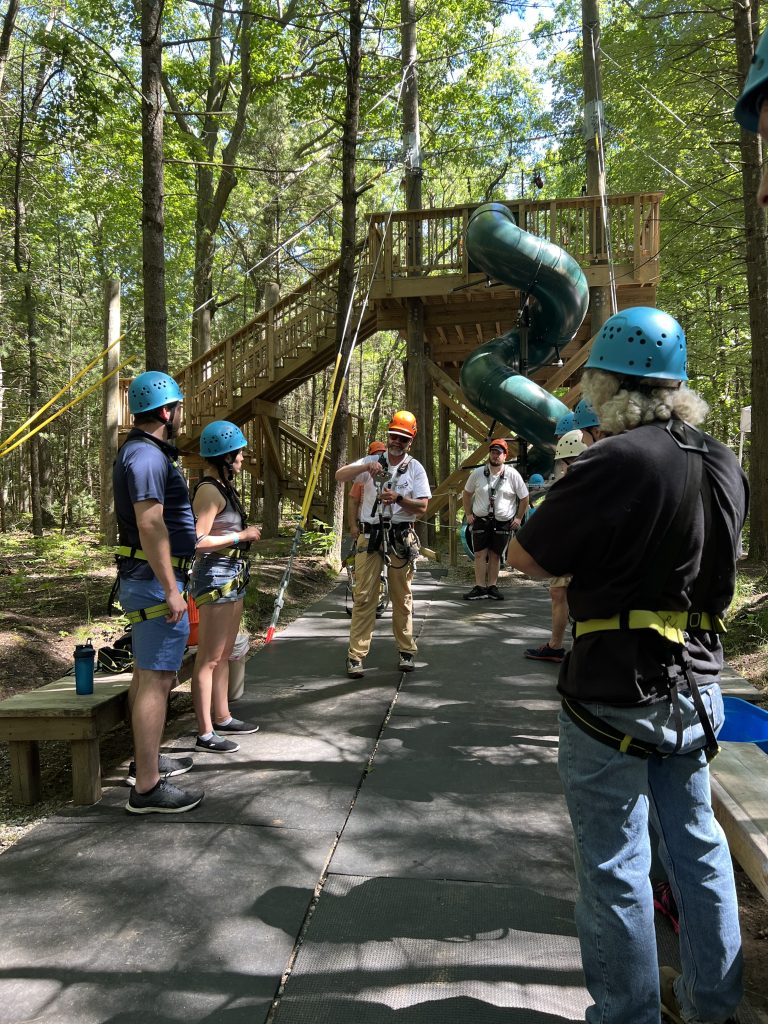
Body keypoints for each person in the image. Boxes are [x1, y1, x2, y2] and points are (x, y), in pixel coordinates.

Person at [507, 306, 748, 1024]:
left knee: (615, 865)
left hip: (615, 687)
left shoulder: (613, 460)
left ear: (609, 383)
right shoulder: (722, 459)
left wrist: (566, 485)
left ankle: (627, 1014)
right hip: (699, 684)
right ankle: (711, 1004)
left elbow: (526, 557)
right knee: (698, 850)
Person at [113, 371, 204, 814]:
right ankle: (147, 788)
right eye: (179, 408)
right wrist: (171, 589)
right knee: (157, 679)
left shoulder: (143, 453)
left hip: (149, 580)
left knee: (149, 673)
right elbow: (150, 523)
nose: (181, 416)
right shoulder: (147, 457)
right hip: (154, 583)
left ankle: (143, 763)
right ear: (166, 411)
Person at [335, 410, 431, 679]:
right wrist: (365, 467)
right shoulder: (371, 461)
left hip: (400, 535)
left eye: (402, 438)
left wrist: (399, 499)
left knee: (402, 596)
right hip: (371, 534)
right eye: (393, 436)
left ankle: (406, 650)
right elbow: (340, 475)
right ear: (387, 436)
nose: (396, 441)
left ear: (410, 441)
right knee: (364, 595)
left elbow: (423, 506)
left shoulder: (414, 468)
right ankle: (356, 655)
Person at [190, 421, 262, 753]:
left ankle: (222, 715)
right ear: (225, 455)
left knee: (224, 653)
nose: (243, 457)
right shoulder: (208, 490)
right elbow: (198, 540)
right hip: (216, 576)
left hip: (232, 574)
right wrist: (240, 536)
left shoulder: (223, 487)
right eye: (240, 452)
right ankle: (205, 731)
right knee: (208, 657)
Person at [523, 429, 588, 663]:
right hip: (574, 548)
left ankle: (564, 647)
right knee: (560, 593)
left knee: (569, 595)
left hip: (576, 550)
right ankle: (559, 646)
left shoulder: (577, 481)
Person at [462, 438, 529, 601]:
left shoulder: (512, 475)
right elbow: (466, 493)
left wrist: (519, 518)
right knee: (479, 554)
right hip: (481, 520)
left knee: (495, 555)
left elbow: (524, 498)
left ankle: (492, 586)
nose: (495, 455)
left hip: (502, 521)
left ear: (505, 456)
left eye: (499, 453)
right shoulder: (478, 473)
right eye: (493, 452)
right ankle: (479, 587)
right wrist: (469, 513)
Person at [348, 441, 387, 539]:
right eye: (375, 455)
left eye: (381, 454)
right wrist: (353, 526)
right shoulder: (363, 477)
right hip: (367, 527)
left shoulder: (389, 473)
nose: (378, 457)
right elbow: (353, 501)